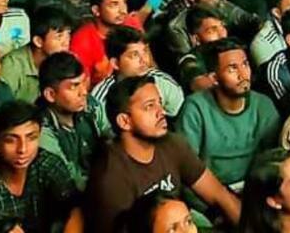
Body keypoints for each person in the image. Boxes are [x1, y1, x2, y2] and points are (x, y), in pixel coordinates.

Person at [84, 74, 242, 233]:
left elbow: (220, 196)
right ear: (125, 121)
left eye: (160, 103)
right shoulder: (110, 179)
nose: (162, 112)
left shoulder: (172, 143)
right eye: (149, 106)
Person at [0, 100, 84, 233]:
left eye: (31, 138)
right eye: (11, 140)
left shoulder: (47, 164)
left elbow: (74, 206)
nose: (22, 149)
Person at [178, 38, 281, 190]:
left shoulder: (263, 105)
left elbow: (272, 161)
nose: (242, 74)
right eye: (232, 68)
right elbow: (188, 170)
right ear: (214, 78)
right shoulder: (195, 109)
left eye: (245, 64)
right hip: (211, 194)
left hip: (254, 191)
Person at [36, 51, 103, 190]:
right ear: (50, 94)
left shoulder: (89, 105)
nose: (83, 92)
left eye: (83, 83)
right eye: (74, 86)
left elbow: (113, 136)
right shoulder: (41, 128)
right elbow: (68, 179)